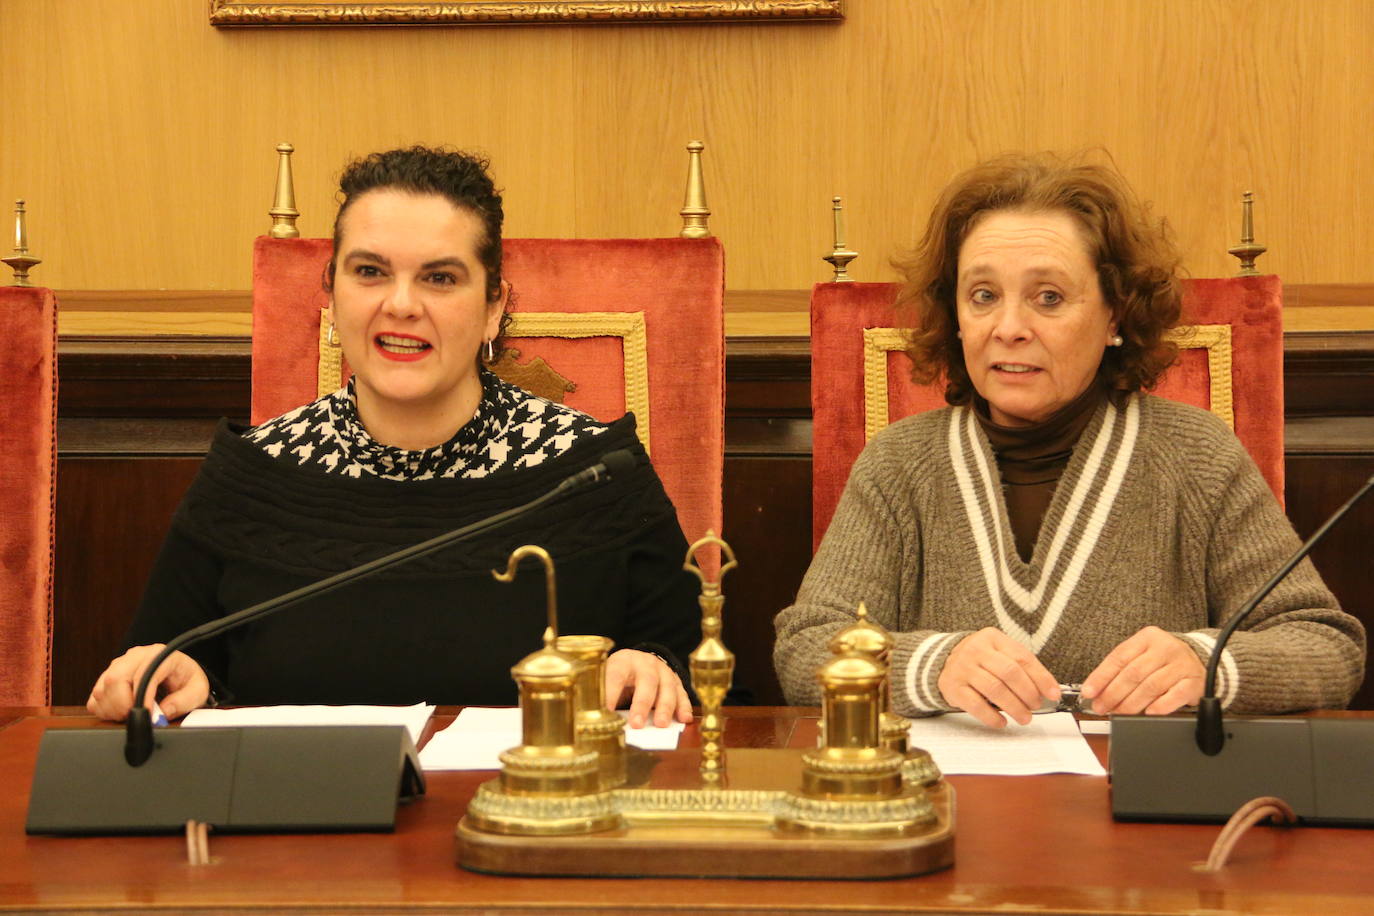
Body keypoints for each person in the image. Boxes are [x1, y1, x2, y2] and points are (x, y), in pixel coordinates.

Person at [88, 146, 699, 729]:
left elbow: (707, 684)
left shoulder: (594, 473)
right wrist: (166, 677)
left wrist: (655, 669)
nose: (401, 304)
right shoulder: (252, 477)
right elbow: (167, 670)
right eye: (371, 272)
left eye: (439, 277)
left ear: (493, 307)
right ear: (330, 293)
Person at [775, 152, 1365, 727]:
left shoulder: (1197, 456)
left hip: (1138, 811)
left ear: (1114, 315)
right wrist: (931, 665)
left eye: (1049, 298)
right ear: (953, 313)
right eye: (983, 296)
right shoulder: (900, 462)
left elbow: (1325, 645)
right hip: (950, 809)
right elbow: (805, 649)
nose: (1008, 328)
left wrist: (1209, 663)